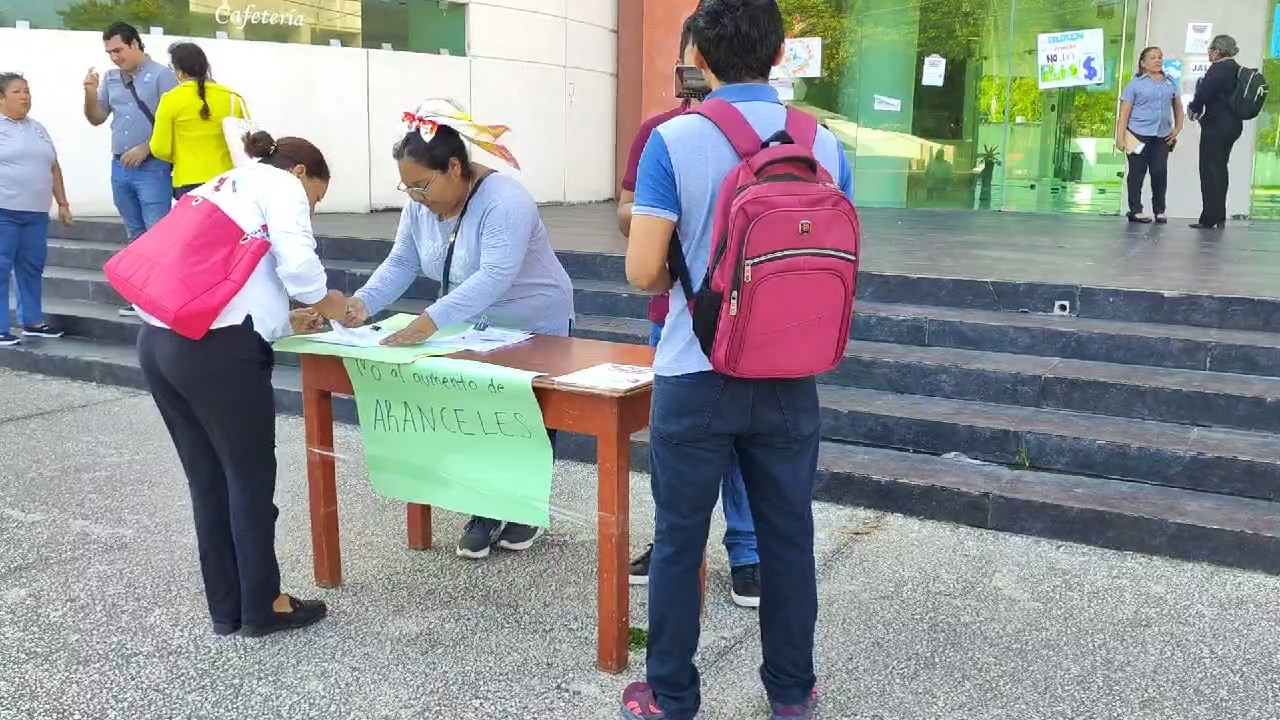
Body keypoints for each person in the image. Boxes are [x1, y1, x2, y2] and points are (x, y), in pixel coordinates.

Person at [620, 1, 853, 718]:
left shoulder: (674, 140)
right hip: (790, 376)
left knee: (679, 540)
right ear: (780, 53)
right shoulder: (826, 143)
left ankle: (671, 696)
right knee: (788, 538)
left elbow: (641, 271)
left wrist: (692, 277)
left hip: (695, 372)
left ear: (701, 54)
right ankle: (790, 693)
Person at [340, 99, 575, 560]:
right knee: (476, 417)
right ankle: (485, 507)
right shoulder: (420, 206)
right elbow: (403, 261)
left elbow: (494, 275)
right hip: (472, 326)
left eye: (422, 185)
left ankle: (524, 505)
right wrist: (361, 303)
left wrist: (430, 321)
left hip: (534, 322)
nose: (415, 197)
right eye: (406, 187)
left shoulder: (506, 200)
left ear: (454, 167)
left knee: (528, 419)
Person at [136, 130, 348, 637]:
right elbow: (299, 269)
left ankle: (228, 608)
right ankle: (264, 605)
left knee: (208, 482)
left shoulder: (221, 184)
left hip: (161, 342)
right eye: (316, 197)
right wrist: (332, 305)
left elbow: (229, 282)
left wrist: (283, 321)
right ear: (302, 174)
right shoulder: (283, 186)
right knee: (249, 483)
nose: (312, 209)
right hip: (219, 356)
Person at [617, 14, 761, 609]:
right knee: (681, 440)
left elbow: (640, 264)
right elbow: (628, 216)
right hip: (679, 313)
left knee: (739, 439)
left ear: (699, 58)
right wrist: (659, 216)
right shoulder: (660, 133)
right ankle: (677, 543)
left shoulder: (779, 137)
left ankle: (746, 551)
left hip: (753, 315)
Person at [82, 21, 178, 315]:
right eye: (109, 52)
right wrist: (89, 91)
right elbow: (97, 117)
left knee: (157, 232)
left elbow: (174, 122)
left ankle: (162, 297)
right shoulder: (111, 78)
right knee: (135, 234)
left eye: (119, 50)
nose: (114, 57)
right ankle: (140, 296)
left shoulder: (163, 76)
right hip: (120, 166)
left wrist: (147, 147)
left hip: (153, 166)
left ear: (135, 44)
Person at [0, 73, 71, 347]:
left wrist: (62, 203)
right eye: (17, 91)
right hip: (4, 210)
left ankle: (32, 322)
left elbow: (53, 166)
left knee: (31, 267)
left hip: (35, 213)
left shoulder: (38, 128)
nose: (25, 96)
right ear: (2, 97)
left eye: (27, 91)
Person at [150, 42, 246, 199]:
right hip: (228, 181)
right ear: (206, 67)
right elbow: (246, 143)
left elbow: (159, 148)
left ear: (179, 72)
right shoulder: (232, 98)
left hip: (189, 181)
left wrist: (182, 156)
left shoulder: (170, 99)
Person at [1117, 46, 1183, 224]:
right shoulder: (1135, 84)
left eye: (1160, 57)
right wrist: (1120, 137)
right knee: (1136, 174)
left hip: (1161, 136)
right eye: (1153, 57)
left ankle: (1159, 210)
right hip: (1137, 135)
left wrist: (1176, 129)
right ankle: (1135, 210)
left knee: (1159, 173)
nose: (1157, 60)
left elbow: (1178, 107)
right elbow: (1124, 112)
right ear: (1143, 63)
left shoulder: (1170, 83)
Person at [1188, 34, 1244, 230]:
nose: (1209, 54)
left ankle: (1209, 218)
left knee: (1209, 170)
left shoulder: (1219, 68)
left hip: (1216, 126)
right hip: (1234, 125)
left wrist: (1193, 107)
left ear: (1217, 51)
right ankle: (1219, 215)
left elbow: (1204, 93)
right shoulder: (1237, 69)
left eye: (1210, 50)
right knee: (1220, 168)